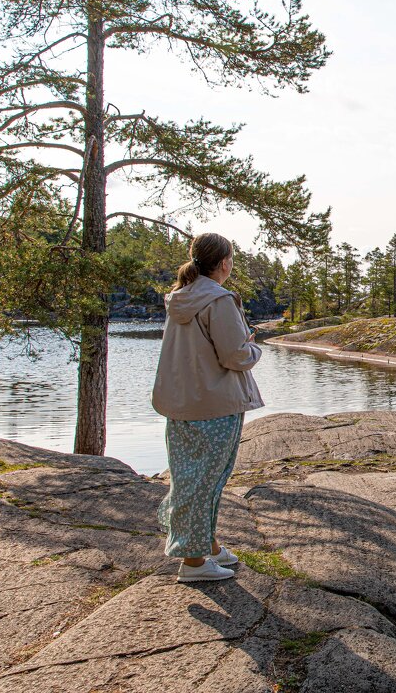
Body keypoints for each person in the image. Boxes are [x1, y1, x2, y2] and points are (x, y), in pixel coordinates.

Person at [152, 233, 264, 582]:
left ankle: (208, 546)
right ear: (225, 263)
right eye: (231, 260)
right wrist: (254, 349)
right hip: (215, 405)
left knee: (189, 479)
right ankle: (194, 562)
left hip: (182, 403)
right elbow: (235, 356)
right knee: (206, 482)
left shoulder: (180, 297)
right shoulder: (219, 300)